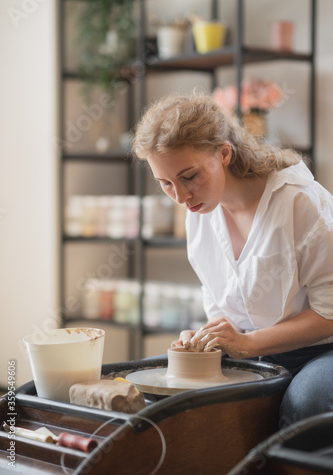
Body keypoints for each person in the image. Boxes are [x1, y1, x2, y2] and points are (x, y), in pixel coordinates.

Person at [132, 92, 333, 428]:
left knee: (307, 400)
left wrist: (248, 343)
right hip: (253, 350)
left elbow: (330, 313)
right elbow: (223, 307)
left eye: (190, 176)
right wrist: (209, 337)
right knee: (148, 380)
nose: (181, 197)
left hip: (319, 350)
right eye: (165, 183)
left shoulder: (297, 201)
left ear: (224, 153)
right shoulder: (199, 213)